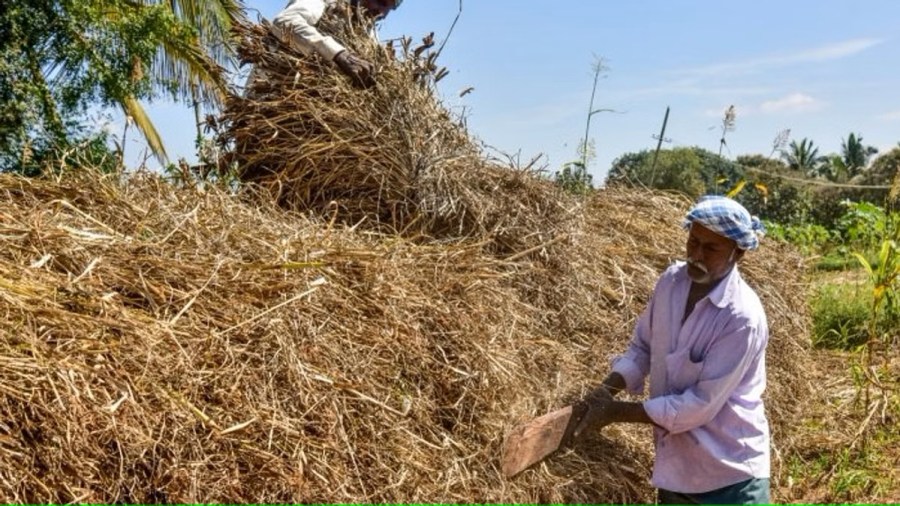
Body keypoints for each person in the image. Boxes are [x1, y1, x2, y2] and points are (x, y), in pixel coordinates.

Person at [571, 195, 771, 504]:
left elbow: (699, 406)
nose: (696, 255)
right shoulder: (671, 283)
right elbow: (643, 347)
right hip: (677, 469)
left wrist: (614, 412)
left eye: (711, 249)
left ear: (738, 252)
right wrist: (605, 391)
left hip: (728, 474)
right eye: (693, 242)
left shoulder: (741, 318)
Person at [270, 0, 402, 88]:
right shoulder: (328, 2)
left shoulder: (368, 33)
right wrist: (337, 54)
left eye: (389, 8)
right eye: (380, 1)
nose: (381, 12)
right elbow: (283, 23)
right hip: (278, 87)